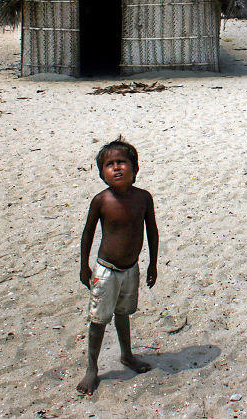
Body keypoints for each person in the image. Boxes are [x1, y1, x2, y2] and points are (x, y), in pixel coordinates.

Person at [77, 136, 159, 395]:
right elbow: (88, 233)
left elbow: (152, 232)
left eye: (122, 162)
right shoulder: (101, 200)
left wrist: (152, 265)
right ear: (102, 174)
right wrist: (84, 266)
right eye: (109, 164)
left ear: (135, 169)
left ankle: (127, 355)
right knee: (98, 320)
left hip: (131, 269)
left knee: (124, 314)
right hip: (105, 270)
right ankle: (92, 368)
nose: (116, 167)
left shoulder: (144, 198)